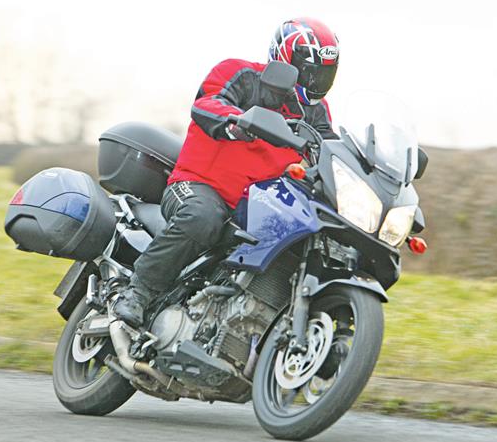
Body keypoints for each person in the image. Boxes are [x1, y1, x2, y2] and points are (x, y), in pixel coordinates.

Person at [112, 17, 341, 327]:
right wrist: (235, 120)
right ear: (287, 59)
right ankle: (137, 291)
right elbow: (208, 101)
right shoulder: (242, 73)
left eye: (326, 72)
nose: (318, 79)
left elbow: (330, 152)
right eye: (313, 70)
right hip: (199, 185)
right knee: (201, 217)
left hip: (258, 206)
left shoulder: (317, 112)